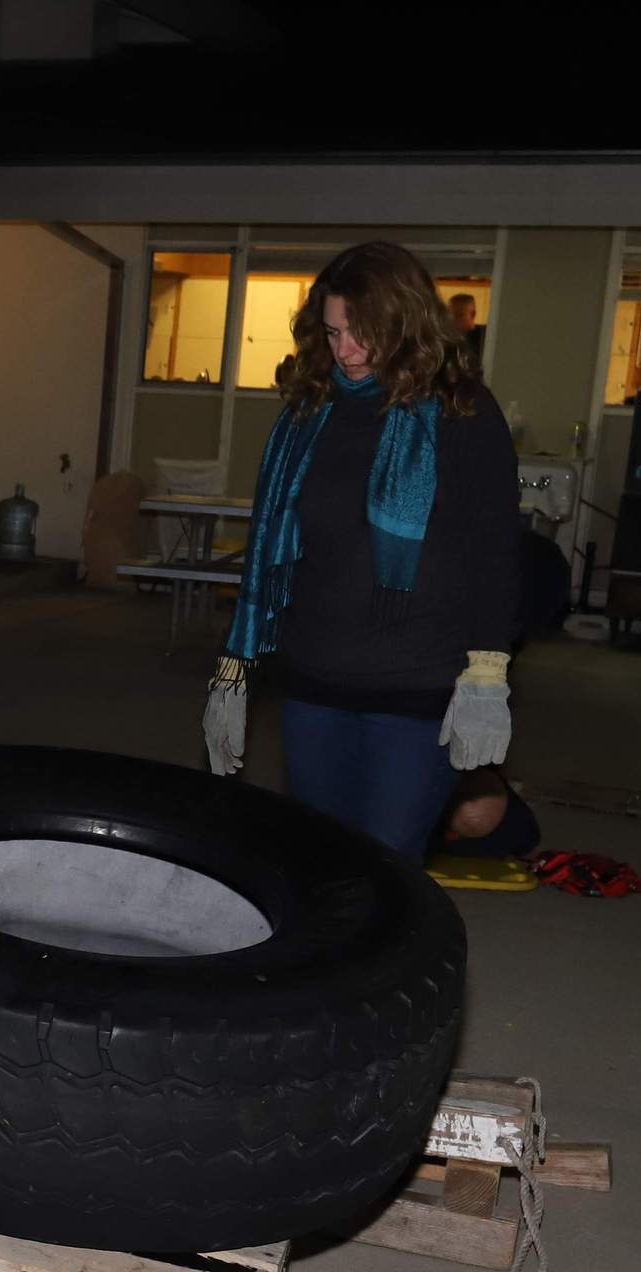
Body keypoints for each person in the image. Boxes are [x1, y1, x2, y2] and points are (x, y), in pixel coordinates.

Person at [203, 241, 520, 858]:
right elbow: (270, 546)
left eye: (362, 334)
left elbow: (496, 553)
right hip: (314, 683)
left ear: (405, 324)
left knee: (384, 865)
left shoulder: (461, 413)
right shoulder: (308, 412)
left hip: (417, 689)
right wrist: (234, 667)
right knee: (320, 861)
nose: (345, 351)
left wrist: (488, 674)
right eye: (333, 333)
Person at [448, 293, 487, 371]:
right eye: (450, 315)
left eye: (459, 315)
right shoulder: (447, 339)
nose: (453, 320)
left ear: (472, 314)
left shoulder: (485, 338)